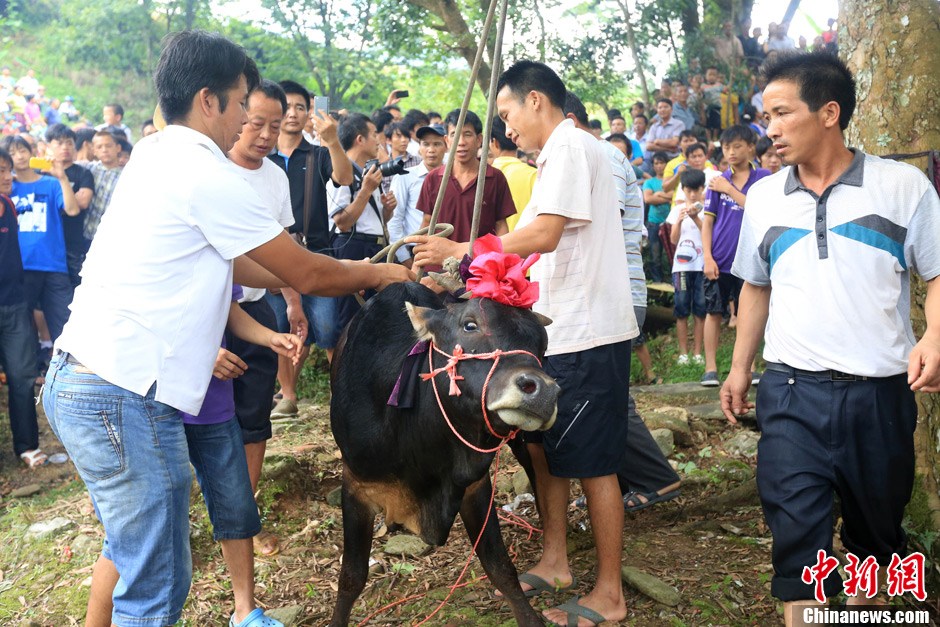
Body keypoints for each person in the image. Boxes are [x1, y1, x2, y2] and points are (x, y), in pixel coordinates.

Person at [42, 31, 411, 627]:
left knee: (142, 557)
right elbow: (307, 271)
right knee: (156, 583)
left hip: (88, 379)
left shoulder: (155, 153)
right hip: (122, 394)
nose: (246, 120)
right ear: (208, 100)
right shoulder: (204, 171)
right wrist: (384, 271)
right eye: (242, 103)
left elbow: (236, 262)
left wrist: (343, 273)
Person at [410, 59, 638, 626]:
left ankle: (610, 593)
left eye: (508, 112)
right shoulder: (553, 156)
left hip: (588, 330)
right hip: (555, 330)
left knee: (595, 464)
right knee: (545, 451)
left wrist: (463, 249)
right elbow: (529, 252)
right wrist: (468, 279)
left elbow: (545, 234)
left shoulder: (572, 145)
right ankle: (556, 560)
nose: (506, 128)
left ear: (536, 99)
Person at [722, 51, 940, 627]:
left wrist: (936, 337)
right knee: (797, 543)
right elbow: (755, 286)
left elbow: (938, 271)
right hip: (791, 393)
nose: (769, 129)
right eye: (765, 116)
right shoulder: (765, 196)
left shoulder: (902, 187)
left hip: (880, 395)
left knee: (877, 540)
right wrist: (740, 368)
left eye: (781, 113)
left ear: (828, 113)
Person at [226, 79, 297, 557]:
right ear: (236, 116)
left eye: (275, 125)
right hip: (208, 313)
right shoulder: (212, 170)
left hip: (255, 308)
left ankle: (244, 515)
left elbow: (287, 249)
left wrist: (293, 302)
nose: (267, 135)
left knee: (253, 418)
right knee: (193, 418)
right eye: (256, 123)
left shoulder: (276, 177)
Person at [265, 79, 353, 418]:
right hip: (271, 255)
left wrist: (332, 141)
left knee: (328, 328)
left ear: (309, 113)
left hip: (316, 252)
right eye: (286, 107)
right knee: (280, 326)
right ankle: (288, 395)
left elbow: (344, 177)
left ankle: (339, 394)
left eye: (300, 107)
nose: (292, 113)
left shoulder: (317, 154)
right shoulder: (262, 157)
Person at [700, 125, 770, 386]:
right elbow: (708, 223)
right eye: (727, 147)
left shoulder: (763, 177)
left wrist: (728, 189)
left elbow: (759, 209)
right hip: (720, 258)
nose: (731, 152)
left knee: (749, 314)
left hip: (750, 259)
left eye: (737, 146)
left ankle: (749, 366)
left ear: (751, 147)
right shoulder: (716, 181)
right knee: (713, 312)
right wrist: (707, 257)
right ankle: (710, 368)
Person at [3, 134, 80, 344]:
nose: (19, 156)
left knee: (65, 325)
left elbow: (72, 210)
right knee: (23, 330)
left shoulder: (51, 183)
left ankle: (64, 362)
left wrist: (62, 177)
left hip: (53, 265)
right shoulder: (8, 188)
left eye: (22, 150)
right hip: (20, 267)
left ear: (32, 152)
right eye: (12, 153)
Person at [326, 112, 398, 331]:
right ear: (360, 139)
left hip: (374, 247)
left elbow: (373, 220)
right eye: (374, 134)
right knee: (352, 318)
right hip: (353, 247)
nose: (378, 141)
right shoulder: (342, 172)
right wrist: (366, 190)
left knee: (378, 317)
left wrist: (387, 210)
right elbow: (342, 222)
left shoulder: (367, 171)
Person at [416, 109, 515, 258]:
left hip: (480, 264)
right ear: (447, 140)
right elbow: (426, 223)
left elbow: (501, 226)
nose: (461, 142)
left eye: (467, 134)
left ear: (479, 139)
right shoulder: (433, 179)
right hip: (438, 265)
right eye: (454, 134)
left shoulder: (495, 178)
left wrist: (501, 261)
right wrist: (418, 262)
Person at [0, 147, 42, 469]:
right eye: (1, 171)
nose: (7, 177)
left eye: (7, 170)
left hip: (14, 305)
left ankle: (27, 446)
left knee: (22, 376)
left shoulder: (9, 205)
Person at [388, 124, 446, 266]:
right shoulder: (405, 177)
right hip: (414, 252)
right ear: (419, 147)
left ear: (446, 146)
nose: (431, 150)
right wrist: (405, 258)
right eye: (426, 144)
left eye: (437, 144)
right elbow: (395, 219)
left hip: (446, 250)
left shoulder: (454, 177)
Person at [45, 124, 94, 287]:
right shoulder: (41, 173)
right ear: (49, 146)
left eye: (69, 143)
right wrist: (70, 198)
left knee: (76, 286)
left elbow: (83, 202)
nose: (65, 147)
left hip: (73, 242)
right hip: (47, 242)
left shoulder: (83, 173)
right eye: (59, 143)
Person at [668, 168, 707, 364]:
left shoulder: (707, 210)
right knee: (681, 309)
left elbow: (709, 236)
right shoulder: (677, 210)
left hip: (702, 265)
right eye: (688, 190)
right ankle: (683, 353)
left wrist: (695, 218)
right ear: (683, 190)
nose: (692, 194)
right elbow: (673, 240)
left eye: (696, 190)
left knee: (701, 309)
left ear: (702, 189)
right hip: (681, 267)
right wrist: (679, 220)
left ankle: (698, 352)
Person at [489, 115, 537, 231]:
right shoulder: (534, 175)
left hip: (494, 243)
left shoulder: (483, 179)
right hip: (528, 241)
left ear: (494, 143)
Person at [79, 130, 123, 243]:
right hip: (86, 234)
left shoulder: (126, 175)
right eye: (99, 147)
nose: (104, 150)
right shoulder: (87, 169)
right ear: (94, 151)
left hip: (112, 237)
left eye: (108, 146)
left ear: (118, 148)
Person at [642, 151, 672, 283]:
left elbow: (675, 196)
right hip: (654, 222)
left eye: (662, 163)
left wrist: (659, 194)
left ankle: (673, 282)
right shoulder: (649, 182)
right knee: (655, 255)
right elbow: (648, 199)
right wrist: (668, 198)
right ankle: (657, 282)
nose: (659, 166)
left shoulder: (672, 181)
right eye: (656, 163)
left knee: (672, 254)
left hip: (671, 222)